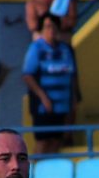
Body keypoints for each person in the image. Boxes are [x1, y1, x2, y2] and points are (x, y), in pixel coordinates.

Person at [22, 14, 78, 155]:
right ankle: (34, 174)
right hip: (44, 107)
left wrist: (74, 100)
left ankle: (49, 174)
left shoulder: (66, 50)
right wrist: (43, 97)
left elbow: (73, 76)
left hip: (62, 105)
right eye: (47, 26)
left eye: (54, 26)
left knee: (57, 141)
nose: (51, 30)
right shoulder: (37, 49)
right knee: (43, 142)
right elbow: (28, 75)